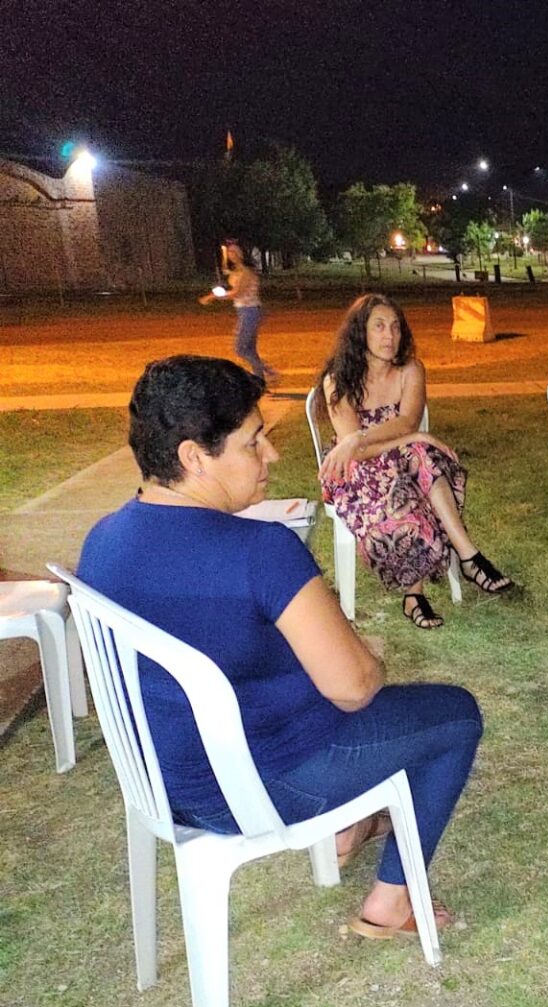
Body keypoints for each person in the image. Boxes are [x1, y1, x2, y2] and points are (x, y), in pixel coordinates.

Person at [79, 355, 482, 937]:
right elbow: (353, 688)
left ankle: (352, 823)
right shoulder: (261, 550)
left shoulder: (103, 541)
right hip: (260, 785)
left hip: (162, 783)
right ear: (194, 457)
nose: (271, 454)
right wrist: (366, 655)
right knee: (455, 715)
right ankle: (391, 901)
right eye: (253, 442)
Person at [318, 293, 518, 629]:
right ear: (359, 332)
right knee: (411, 470)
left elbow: (408, 421)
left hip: (403, 460)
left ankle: (458, 562)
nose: (389, 335)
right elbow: (358, 453)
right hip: (356, 474)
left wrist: (398, 438)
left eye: (396, 327)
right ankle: (452, 571)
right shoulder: (338, 380)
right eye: (379, 326)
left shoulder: (410, 370)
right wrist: (410, 438)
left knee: (419, 460)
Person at [199, 241, 275, 383]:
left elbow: (236, 293)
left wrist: (213, 296)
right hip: (247, 311)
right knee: (249, 349)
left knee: (241, 349)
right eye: (230, 252)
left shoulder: (246, 272)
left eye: (233, 252)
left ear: (240, 254)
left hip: (250, 311)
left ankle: (269, 371)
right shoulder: (238, 271)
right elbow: (226, 271)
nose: (231, 255)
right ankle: (260, 379)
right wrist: (223, 255)